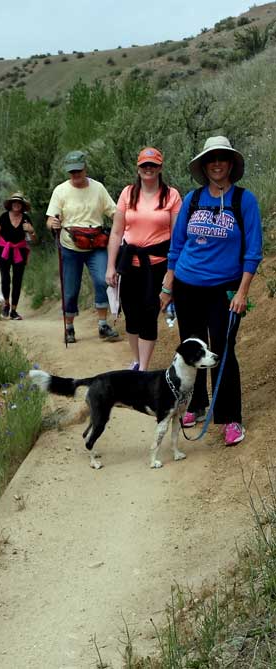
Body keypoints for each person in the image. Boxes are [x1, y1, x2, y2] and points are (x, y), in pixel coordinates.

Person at [160, 136, 263, 446]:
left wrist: (243, 292)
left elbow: (253, 251)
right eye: (211, 159)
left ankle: (230, 418)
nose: (217, 164)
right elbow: (177, 247)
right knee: (191, 347)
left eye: (222, 158)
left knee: (222, 350)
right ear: (204, 166)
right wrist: (168, 286)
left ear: (230, 163)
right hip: (187, 286)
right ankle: (196, 404)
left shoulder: (244, 201)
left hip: (225, 290)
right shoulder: (192, 200)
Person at [106, 147, 182, 370]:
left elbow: (177, 237)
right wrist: (110, 266)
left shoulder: (172, 196)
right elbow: (117, 232)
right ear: (138, 169)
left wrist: (172, 272)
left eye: (153, 165)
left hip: (157, 265)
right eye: (144, 166)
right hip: (129, 263)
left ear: (160, 168)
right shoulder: (128, 193)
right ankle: (137, 360)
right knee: (131, 314)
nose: (148, 169)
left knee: (149, 314)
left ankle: (143, 368)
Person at [46, 150, 119, 343]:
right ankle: (69, 327)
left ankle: (103, 324)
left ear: (85, 168)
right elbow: (51, 217)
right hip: (70, 246)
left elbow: (113, 211)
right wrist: (52, 223)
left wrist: (125, 222)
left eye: (78, 170)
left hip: (96, 244)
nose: (76, 175)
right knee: (70, 289)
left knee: (103, 280)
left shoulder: (98, 188)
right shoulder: (60, 191)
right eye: (72, 172)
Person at [0, 192, 36, 320]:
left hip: (19, 252)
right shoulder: (3, 217)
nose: (16, 204)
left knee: (17, 281)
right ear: (11, 204)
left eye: (19, 203)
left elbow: (33, 239)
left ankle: (14, 310)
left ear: (22, 205)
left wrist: (31, 231)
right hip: (3, 250)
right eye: (14, 202)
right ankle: (6, 305)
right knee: (5, 279)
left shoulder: (26, 219)